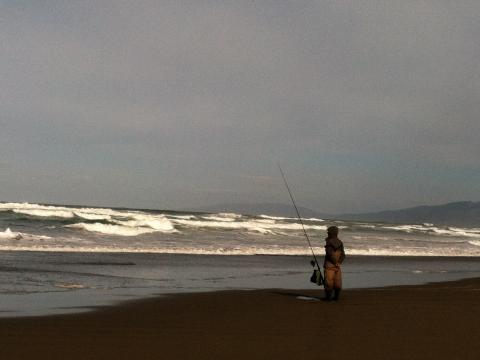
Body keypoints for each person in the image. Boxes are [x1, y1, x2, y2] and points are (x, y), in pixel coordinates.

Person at [323, 226, 345, 301]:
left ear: (331, 232)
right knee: (335, 284)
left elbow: (329, 254)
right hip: (335, 266)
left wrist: (337, 262)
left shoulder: (329, 242)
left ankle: (330, 298)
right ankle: (334, 298)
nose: (327, 233)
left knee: (331, 283)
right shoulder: (339, 242)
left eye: (328, 232)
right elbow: (343, 255)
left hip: (331, 266)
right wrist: (338, 262)